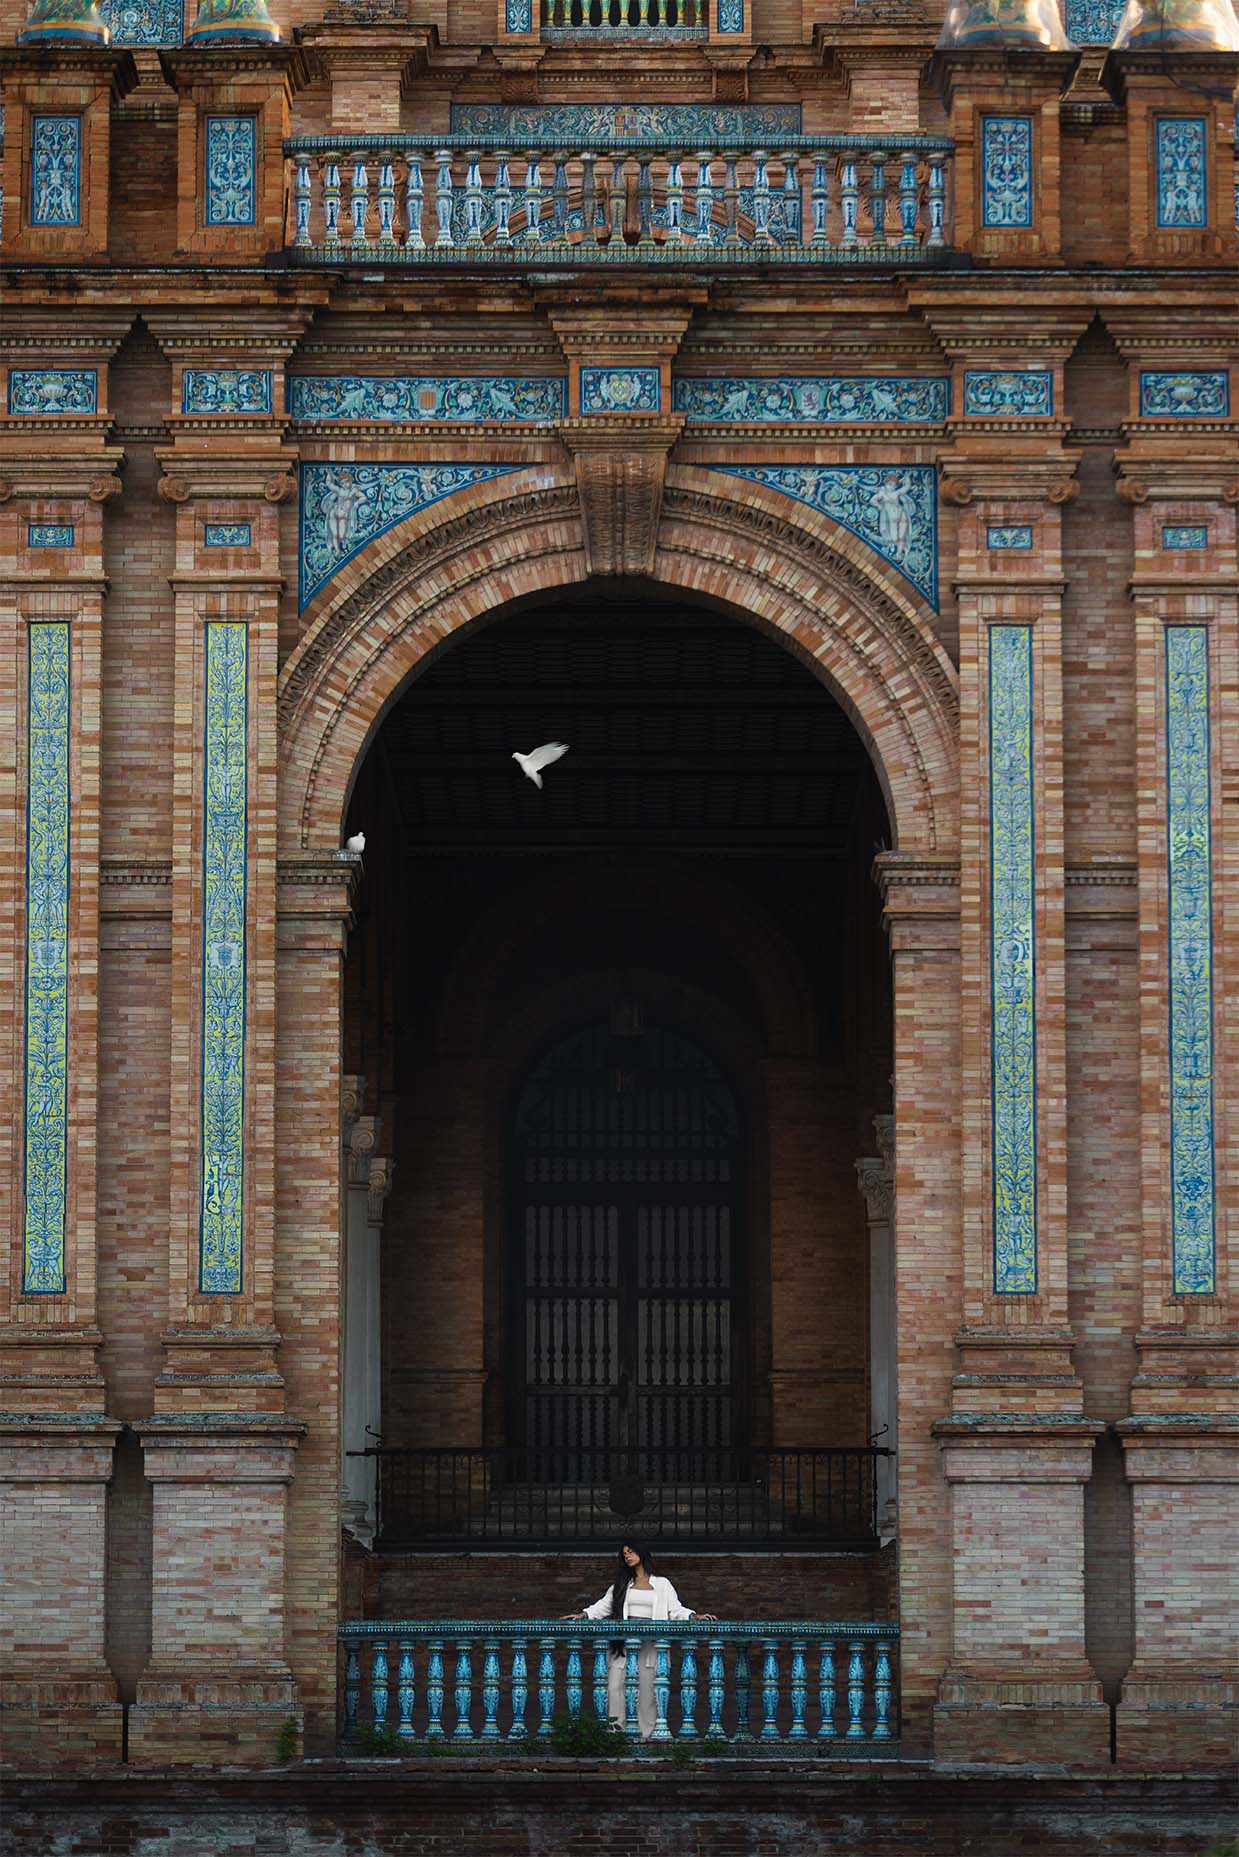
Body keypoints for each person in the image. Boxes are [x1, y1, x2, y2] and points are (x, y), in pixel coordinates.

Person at [562, 1542, 717, 1739]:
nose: (627, 1556)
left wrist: (694, 1616)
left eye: (631, 1551)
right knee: (614, 1688)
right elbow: (602, 1607)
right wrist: (584, 1615)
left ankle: (646, 1736)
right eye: (624, 1553)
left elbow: (675, 1609)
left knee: (647, 1693)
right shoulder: (620, 1585)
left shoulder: (662, 1584)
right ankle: (615, 1734)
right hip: (623, 1645)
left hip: (651, 1647)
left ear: (642, 1553)